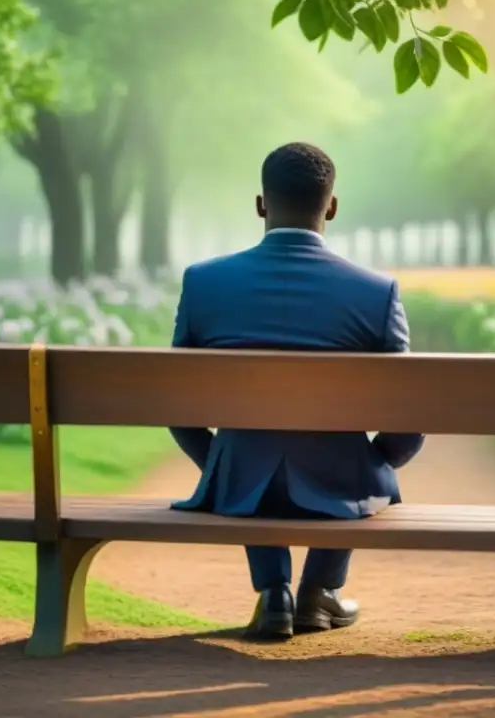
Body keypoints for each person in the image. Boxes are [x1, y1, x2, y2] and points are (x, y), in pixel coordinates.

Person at [168, 142, 425, 640]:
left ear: (261, 204)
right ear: (331, 207)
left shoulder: (204, 283)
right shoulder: (376, 292)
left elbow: (177, 404)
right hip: (338, 481)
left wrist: (224, 462)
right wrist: (378, 461)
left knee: (248, 454)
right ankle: (320, 590)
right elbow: (407, 419)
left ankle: (273, 593)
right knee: (359, 465)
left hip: (243, 479)